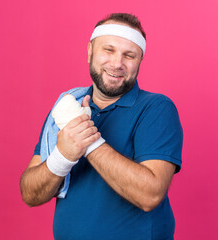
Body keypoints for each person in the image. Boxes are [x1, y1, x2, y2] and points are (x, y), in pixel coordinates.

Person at [20, 13, 183, 240]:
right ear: (90, 52)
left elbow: (150, 195)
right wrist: (63, 156)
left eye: (129, 55)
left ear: (140, 61)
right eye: (109, 50)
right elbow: (30, 194)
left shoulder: (156, 108)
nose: (117, 64)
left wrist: (89, 142)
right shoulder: (68, 108)